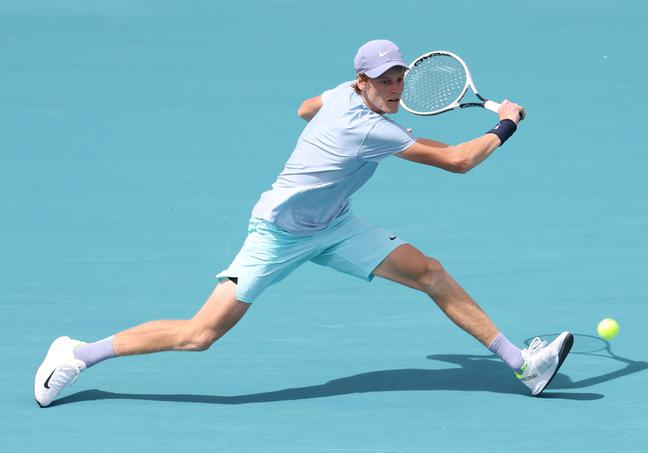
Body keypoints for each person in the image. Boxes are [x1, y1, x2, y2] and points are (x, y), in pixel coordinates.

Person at [34, 39, 573, 407]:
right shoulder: (371, 129)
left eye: (400, 78)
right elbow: (457, 161)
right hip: (278, 233)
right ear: (364, 82)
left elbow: (302, 109)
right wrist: (505, 124)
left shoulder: (344, 96)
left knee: (428, 271)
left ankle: (523, 365)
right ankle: (77, 355)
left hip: (335, 224)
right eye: (385, 81)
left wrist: (356, 119)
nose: (396, 89)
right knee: (200, 335)